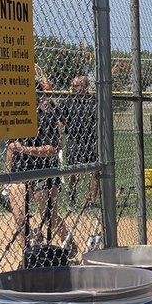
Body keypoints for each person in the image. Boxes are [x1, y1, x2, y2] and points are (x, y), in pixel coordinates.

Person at [8, 85, 70, 249]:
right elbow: (10, 148)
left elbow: (52, 149)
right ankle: (27, 254)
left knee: (48, 216)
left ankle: (68, 242)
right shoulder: (15, 118)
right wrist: (8, 178)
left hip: (44, 171)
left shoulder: (47, 118)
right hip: (20, 172)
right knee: (20, 216)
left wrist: (24, 149)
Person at [57, 74, 99, 206]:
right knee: (75, 170)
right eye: (73, 85)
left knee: (94, 170)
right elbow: (60, 122)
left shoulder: (93, 101)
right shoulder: (67, 102)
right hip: (74, 140)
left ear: (85, 87)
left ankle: (91, 199)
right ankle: (72, 197)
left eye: (77, 85)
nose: (73, 87)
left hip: (92, 140)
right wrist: (59, 135)